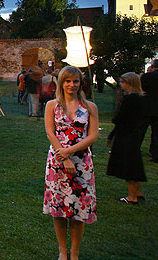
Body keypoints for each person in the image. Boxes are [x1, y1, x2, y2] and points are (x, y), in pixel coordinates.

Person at [43, 66, 99, 260]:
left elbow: (93, 135)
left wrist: (71, 151)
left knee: (79, 208)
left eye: (75, 81)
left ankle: (74, 252)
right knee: (58, 209)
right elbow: (51, 132)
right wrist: (64, 156)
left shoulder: (89, 107)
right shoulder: (52, 105)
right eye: (67, 81)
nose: (71, 85)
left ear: (80, 83)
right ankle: (63, 251)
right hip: (57, 162)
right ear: (61, 82)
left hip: (82, 162)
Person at [107, 72, 146, 203]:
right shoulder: (140, 98)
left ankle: (132, 196)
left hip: (126, 135)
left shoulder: (130, 99)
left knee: (129, 166)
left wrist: (114, 124)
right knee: (134, 163)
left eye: (122, 82)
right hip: (133, 133)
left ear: (129, 83)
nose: (120, 84)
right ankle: (138, 192)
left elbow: (121, 118)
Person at [140, 58, 158, 164]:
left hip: (146, 108)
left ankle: (134, 151)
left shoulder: (147, 77)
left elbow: (141, 90)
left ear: (152, 66)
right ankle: (156, 155)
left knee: (140, 131)